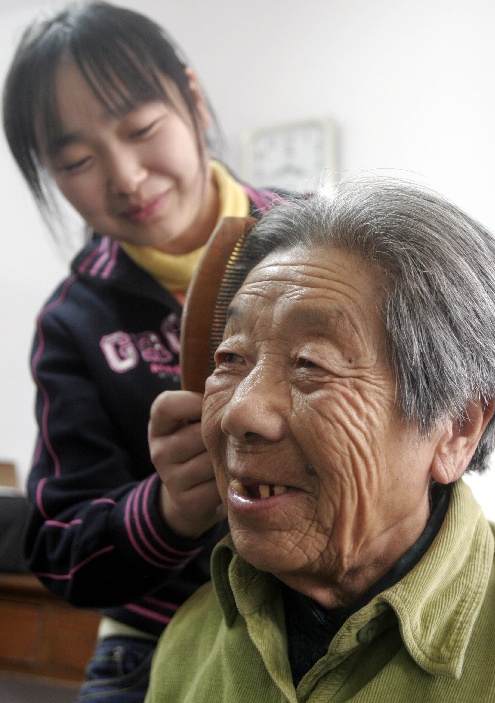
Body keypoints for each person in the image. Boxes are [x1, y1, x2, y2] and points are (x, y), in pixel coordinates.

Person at [2, 2, 288, 700]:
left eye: (141, 129)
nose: (126, 176)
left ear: (191, 97)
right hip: (159, 631)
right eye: (75, 159)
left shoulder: (323, 244)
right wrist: (168, 507)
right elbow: (61, 549)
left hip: (338, 607)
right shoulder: (73, 322)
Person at [145, 173, 495, 702]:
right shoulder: (191, 640)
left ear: (457, 427)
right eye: (231, 359)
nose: (238, 412)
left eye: (312, 363)